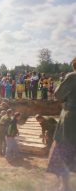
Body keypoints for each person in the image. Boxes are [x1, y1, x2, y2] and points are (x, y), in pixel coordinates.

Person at [47, 57, 76, 191]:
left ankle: (64, 187)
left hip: (71, 119)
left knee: (63, 152)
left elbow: (58, 94)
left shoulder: (72, 76)